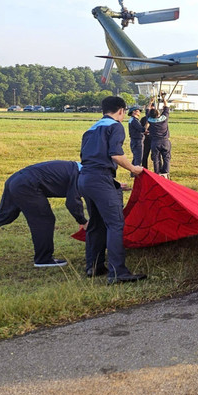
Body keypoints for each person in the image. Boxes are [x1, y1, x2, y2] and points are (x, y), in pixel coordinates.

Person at [78, 95, 146, 283]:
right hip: (100, 179)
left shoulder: (90, 130)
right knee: (115, 224)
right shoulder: (115, 126)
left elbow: (87, 158)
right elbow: (115, 155)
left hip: (84, 179)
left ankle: (94, 266)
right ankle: (118, 272)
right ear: (121, 111)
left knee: (96, 224)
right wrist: (134, 169)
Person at [0, 160, 88, 267]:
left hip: (15, 179)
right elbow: (72, 202)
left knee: (5, 216)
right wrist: (82, 221)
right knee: (44, 220)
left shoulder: (77, 167)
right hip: (27, 185)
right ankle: (43, 259)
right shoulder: (83, 174)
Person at [146, 93, 171, 178]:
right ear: (158, 114)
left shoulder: (150, 120)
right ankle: (166, 173)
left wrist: (151, 101)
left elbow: (147, 110)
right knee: (166, 158)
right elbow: (166, 107)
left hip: (155, 142)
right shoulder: (164, 119)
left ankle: (157, 173)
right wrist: (164, 98)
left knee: (156, 159)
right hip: (165, 141)